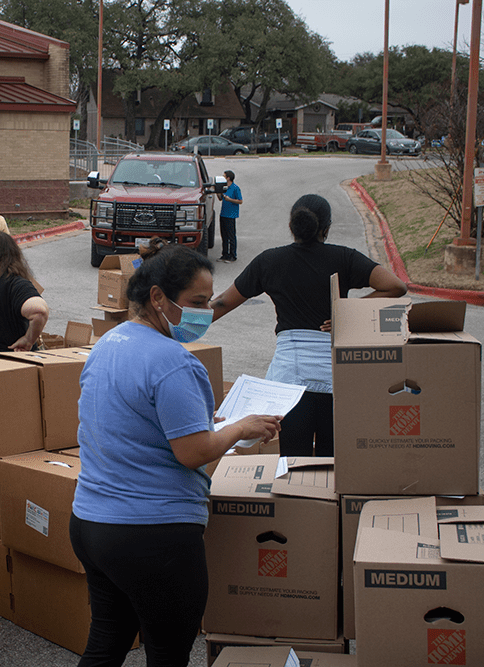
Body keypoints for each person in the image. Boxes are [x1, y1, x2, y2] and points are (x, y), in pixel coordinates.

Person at [70, 239, 282, 667]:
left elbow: (136, 424)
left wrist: (213, 428)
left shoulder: (110, 344)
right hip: (152, 533)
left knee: (107, 640)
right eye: (197, 301)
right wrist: (241, 426)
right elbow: (193, 453)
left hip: (92, 523)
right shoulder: (173, 362)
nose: (206, 311)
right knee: (168, 653)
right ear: (157, 298)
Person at [210, 194, 407, 457]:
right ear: (326, 228)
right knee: (333, 465)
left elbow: (222, 303)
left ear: (292, 226)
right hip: (336, 377)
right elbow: (396, 286)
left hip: (289, 382)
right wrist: (345, 312)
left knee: (293, 464)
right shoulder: (345, 258)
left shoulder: (269, 261)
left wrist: (178, 328)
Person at [216, 170, 242, 262]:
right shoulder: (224, 187)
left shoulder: (235, 188)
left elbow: (240, 201)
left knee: (231, 235)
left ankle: (233, 255)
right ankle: (225, 254)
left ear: (228, 178)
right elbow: (220, 199)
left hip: (231, 215)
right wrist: (218, 191)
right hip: (223, 214)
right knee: (224, 235)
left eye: (224, 176)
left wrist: (230, 199)